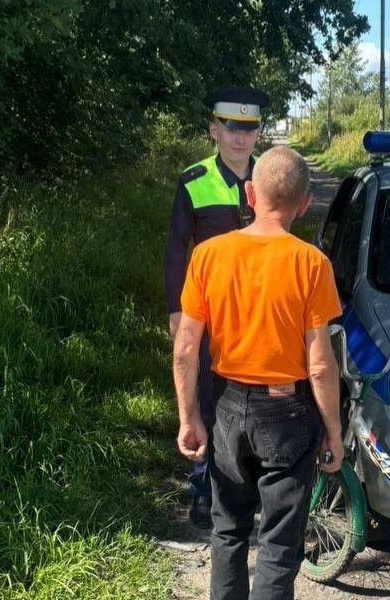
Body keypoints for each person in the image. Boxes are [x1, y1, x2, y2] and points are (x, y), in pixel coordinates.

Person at [173, 146, 344, 599]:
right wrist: (334, 430)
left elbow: (186, 349)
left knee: (227, 531)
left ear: (249, 192)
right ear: (305, 204)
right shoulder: (312, 264)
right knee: (278, 544)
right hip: (288, 413)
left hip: (227, 406)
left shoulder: (208, 256)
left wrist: (189, 417)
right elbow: (321, 364)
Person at [164, 85, 270, 529]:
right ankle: (203, 484)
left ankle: (249, 481)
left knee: (256, 396)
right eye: (231, 129)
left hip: (256, 312)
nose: (240, 138)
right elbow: (174, 250)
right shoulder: (194, 181)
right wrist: (175, 310)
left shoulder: (269, 179)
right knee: (207, 395)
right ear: (214, 130)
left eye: (249, 129)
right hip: (208, 314)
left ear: (259, 132)